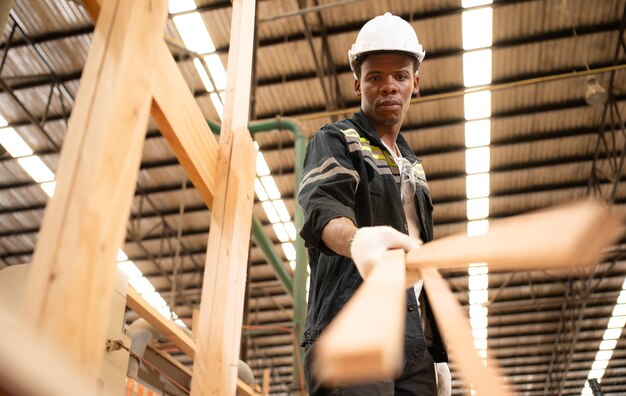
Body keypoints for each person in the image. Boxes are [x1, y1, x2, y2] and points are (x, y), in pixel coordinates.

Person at [297, 12, 451, 396]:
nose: (389, 87)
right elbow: (322, 209)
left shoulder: (413, 165)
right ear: (357, 84)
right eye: (375, 77)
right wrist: (356, 242)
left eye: (399, 76)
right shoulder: (337, 140)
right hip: (354, 329)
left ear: (415, 83)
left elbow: (422, 257)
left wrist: (438, 352)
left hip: (414, 345)